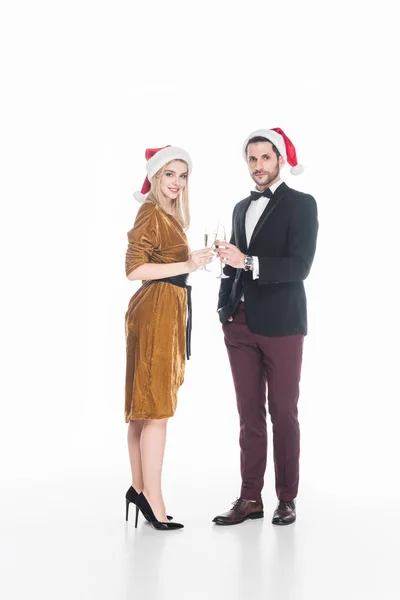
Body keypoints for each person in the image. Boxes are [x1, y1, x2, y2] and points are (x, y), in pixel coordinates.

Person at [214, 128, 318, 526]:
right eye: (252, 159)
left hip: (283, 323)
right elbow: (235, 263)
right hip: (239, 324)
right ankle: (249, 497)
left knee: (283, 412)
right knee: (248, 415)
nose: (258, 166)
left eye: (265, 158)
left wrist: (249, 262)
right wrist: (225, 302)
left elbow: (300, 266)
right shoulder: (241, 206)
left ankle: (286, 498)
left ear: (280, 161)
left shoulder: (302, 204)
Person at [124, 145, 213, 531]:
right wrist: (188, 263)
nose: (176, 182)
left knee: (145, 407)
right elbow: (133, 269)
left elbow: (163, 262)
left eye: (182, 175)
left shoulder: (167, 216)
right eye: (169, 175)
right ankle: (152, 500)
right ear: (156, 177)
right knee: (156, 408)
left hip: (164, 308)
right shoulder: (150, 212)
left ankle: (139, 489)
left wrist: (192, 260)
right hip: (157, 311)